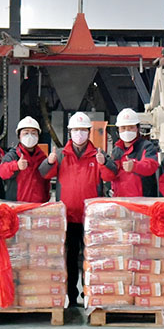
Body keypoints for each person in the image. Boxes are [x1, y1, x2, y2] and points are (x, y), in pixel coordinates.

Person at [39, 112, 117, 308]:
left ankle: (89, 295)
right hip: (68, 217)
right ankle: (72, 296)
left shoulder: (98, 154)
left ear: (89, 132)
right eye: (76, 130)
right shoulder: (60, 154)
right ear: (69, 132)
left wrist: (103, 163)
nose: (79, 134)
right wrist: (49, 162)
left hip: (91, 219)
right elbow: (44, 174)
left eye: (83, 130)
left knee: (92, 258)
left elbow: (110, 176)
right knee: (70, 259)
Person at [103, 108, 160, 197]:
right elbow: (110, 175)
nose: (127, 131)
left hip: (143, 200)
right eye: (123, 128)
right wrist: (104, 164)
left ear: (137, 128)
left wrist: (135, 165)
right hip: (120, 200)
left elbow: (151, 166)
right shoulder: (116, 150)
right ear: (118, 130)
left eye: (131, 127)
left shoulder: (146, 146)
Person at [0, 116, 50, 202]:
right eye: (26, 133)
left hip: (38, 206)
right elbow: (2, 172)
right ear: (19, 136)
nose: (30, 136)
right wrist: (16, 166)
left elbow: (46, 182)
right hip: (17, 205)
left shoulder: (42, 157)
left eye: (33, 133)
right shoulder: (13, 155)